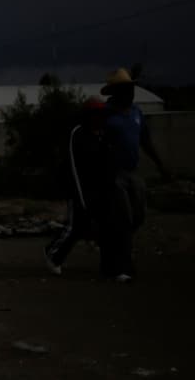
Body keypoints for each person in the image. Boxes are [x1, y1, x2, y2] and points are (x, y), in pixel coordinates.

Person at [98, 67, 169, 282]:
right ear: (114, 92)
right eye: (125, 89)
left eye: (131, 88)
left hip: (132, 172)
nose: (130, 93)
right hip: (114, 174)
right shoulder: (106, 114)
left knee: (138, 216)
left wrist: (160, 165)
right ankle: (123, 265)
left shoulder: (137, 113)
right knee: (124, 219)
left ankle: (112, 254)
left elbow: (145, 141)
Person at [43, 98, 110, 275]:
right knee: (75, 225)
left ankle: (108, 261)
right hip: (78, 187)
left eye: (101, 115)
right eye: (95, 115)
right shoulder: (79, 134)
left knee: (92, 224)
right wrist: (80, 194)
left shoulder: (101, 135)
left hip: (95, 188)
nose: (99, 118)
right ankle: (53, 254)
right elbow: (73, 165)